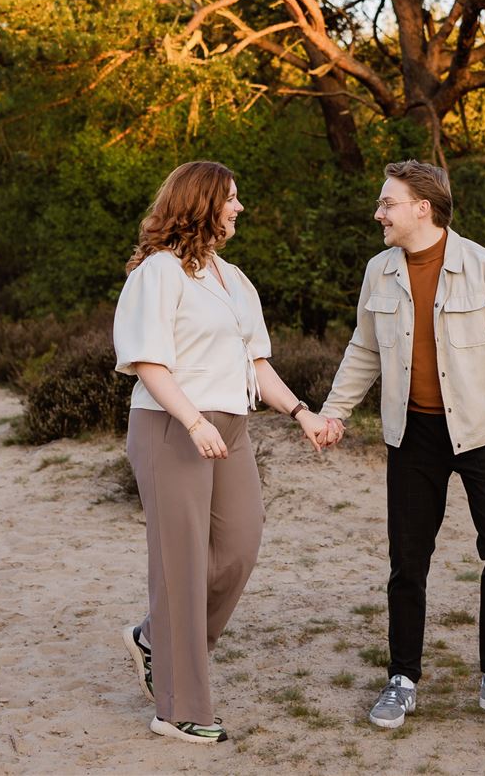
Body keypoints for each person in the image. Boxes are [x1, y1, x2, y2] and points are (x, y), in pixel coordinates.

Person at [313, 160, 485, 729]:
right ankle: (402, 678)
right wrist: (334, 412)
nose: (379, 213)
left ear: (422, 207)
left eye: (388, 204)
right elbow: (364, 350)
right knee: (408, 559)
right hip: (412, 434)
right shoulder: (379, 272)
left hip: (482, 432)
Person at [113, 161, 334, 744]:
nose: (239, 209)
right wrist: (190, 419)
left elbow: (256, 363)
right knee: (180, 564)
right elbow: (148, 361)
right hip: (171, 426)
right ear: (202, 203)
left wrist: (300, 413)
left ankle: (154, 639)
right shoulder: (158, 274)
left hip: (232, 427)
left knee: (240, 545)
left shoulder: (233, 279)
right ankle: (179, 708)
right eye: (231, 199)